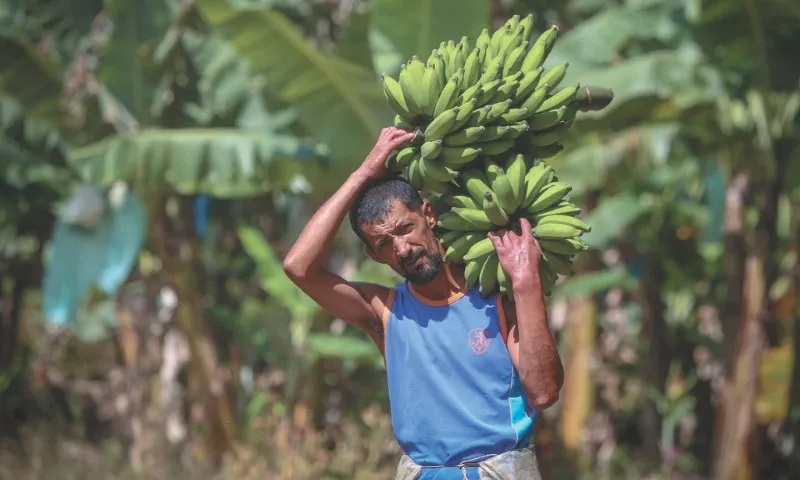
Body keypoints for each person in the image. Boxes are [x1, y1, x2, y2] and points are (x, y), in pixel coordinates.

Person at [283, 126, 564, 480]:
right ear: (373, 255)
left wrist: (526, 283)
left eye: (405, 229)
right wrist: (363, 173)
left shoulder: (498, 296)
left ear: (428, 215)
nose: (401, 248)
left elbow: (543, 392)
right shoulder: (383, 313)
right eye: (384, 244)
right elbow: (298, 267)